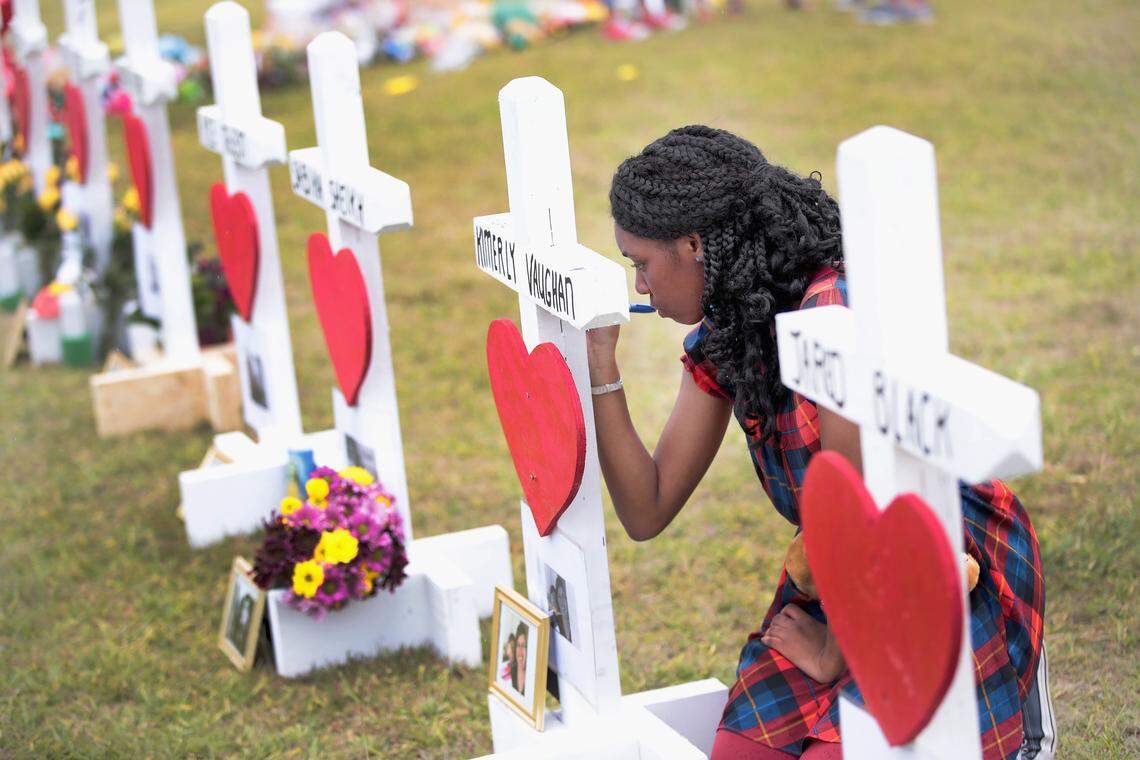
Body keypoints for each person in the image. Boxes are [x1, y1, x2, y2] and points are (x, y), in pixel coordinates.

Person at [588, 125, 1047, 759]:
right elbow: (648, 507)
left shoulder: (829, 319)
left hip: (940, 568)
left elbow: (865, 508)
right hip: (844, 577)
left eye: (641, 262)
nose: (639, 285)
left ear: (694, 244)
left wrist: (833, 653)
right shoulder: (734, 329)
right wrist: (600, 368)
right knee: (739, 754)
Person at [511, 623, 529, 697]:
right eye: (518, 645)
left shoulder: (531, 675)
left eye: (524, 646)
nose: (520, 650)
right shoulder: (513, 670)